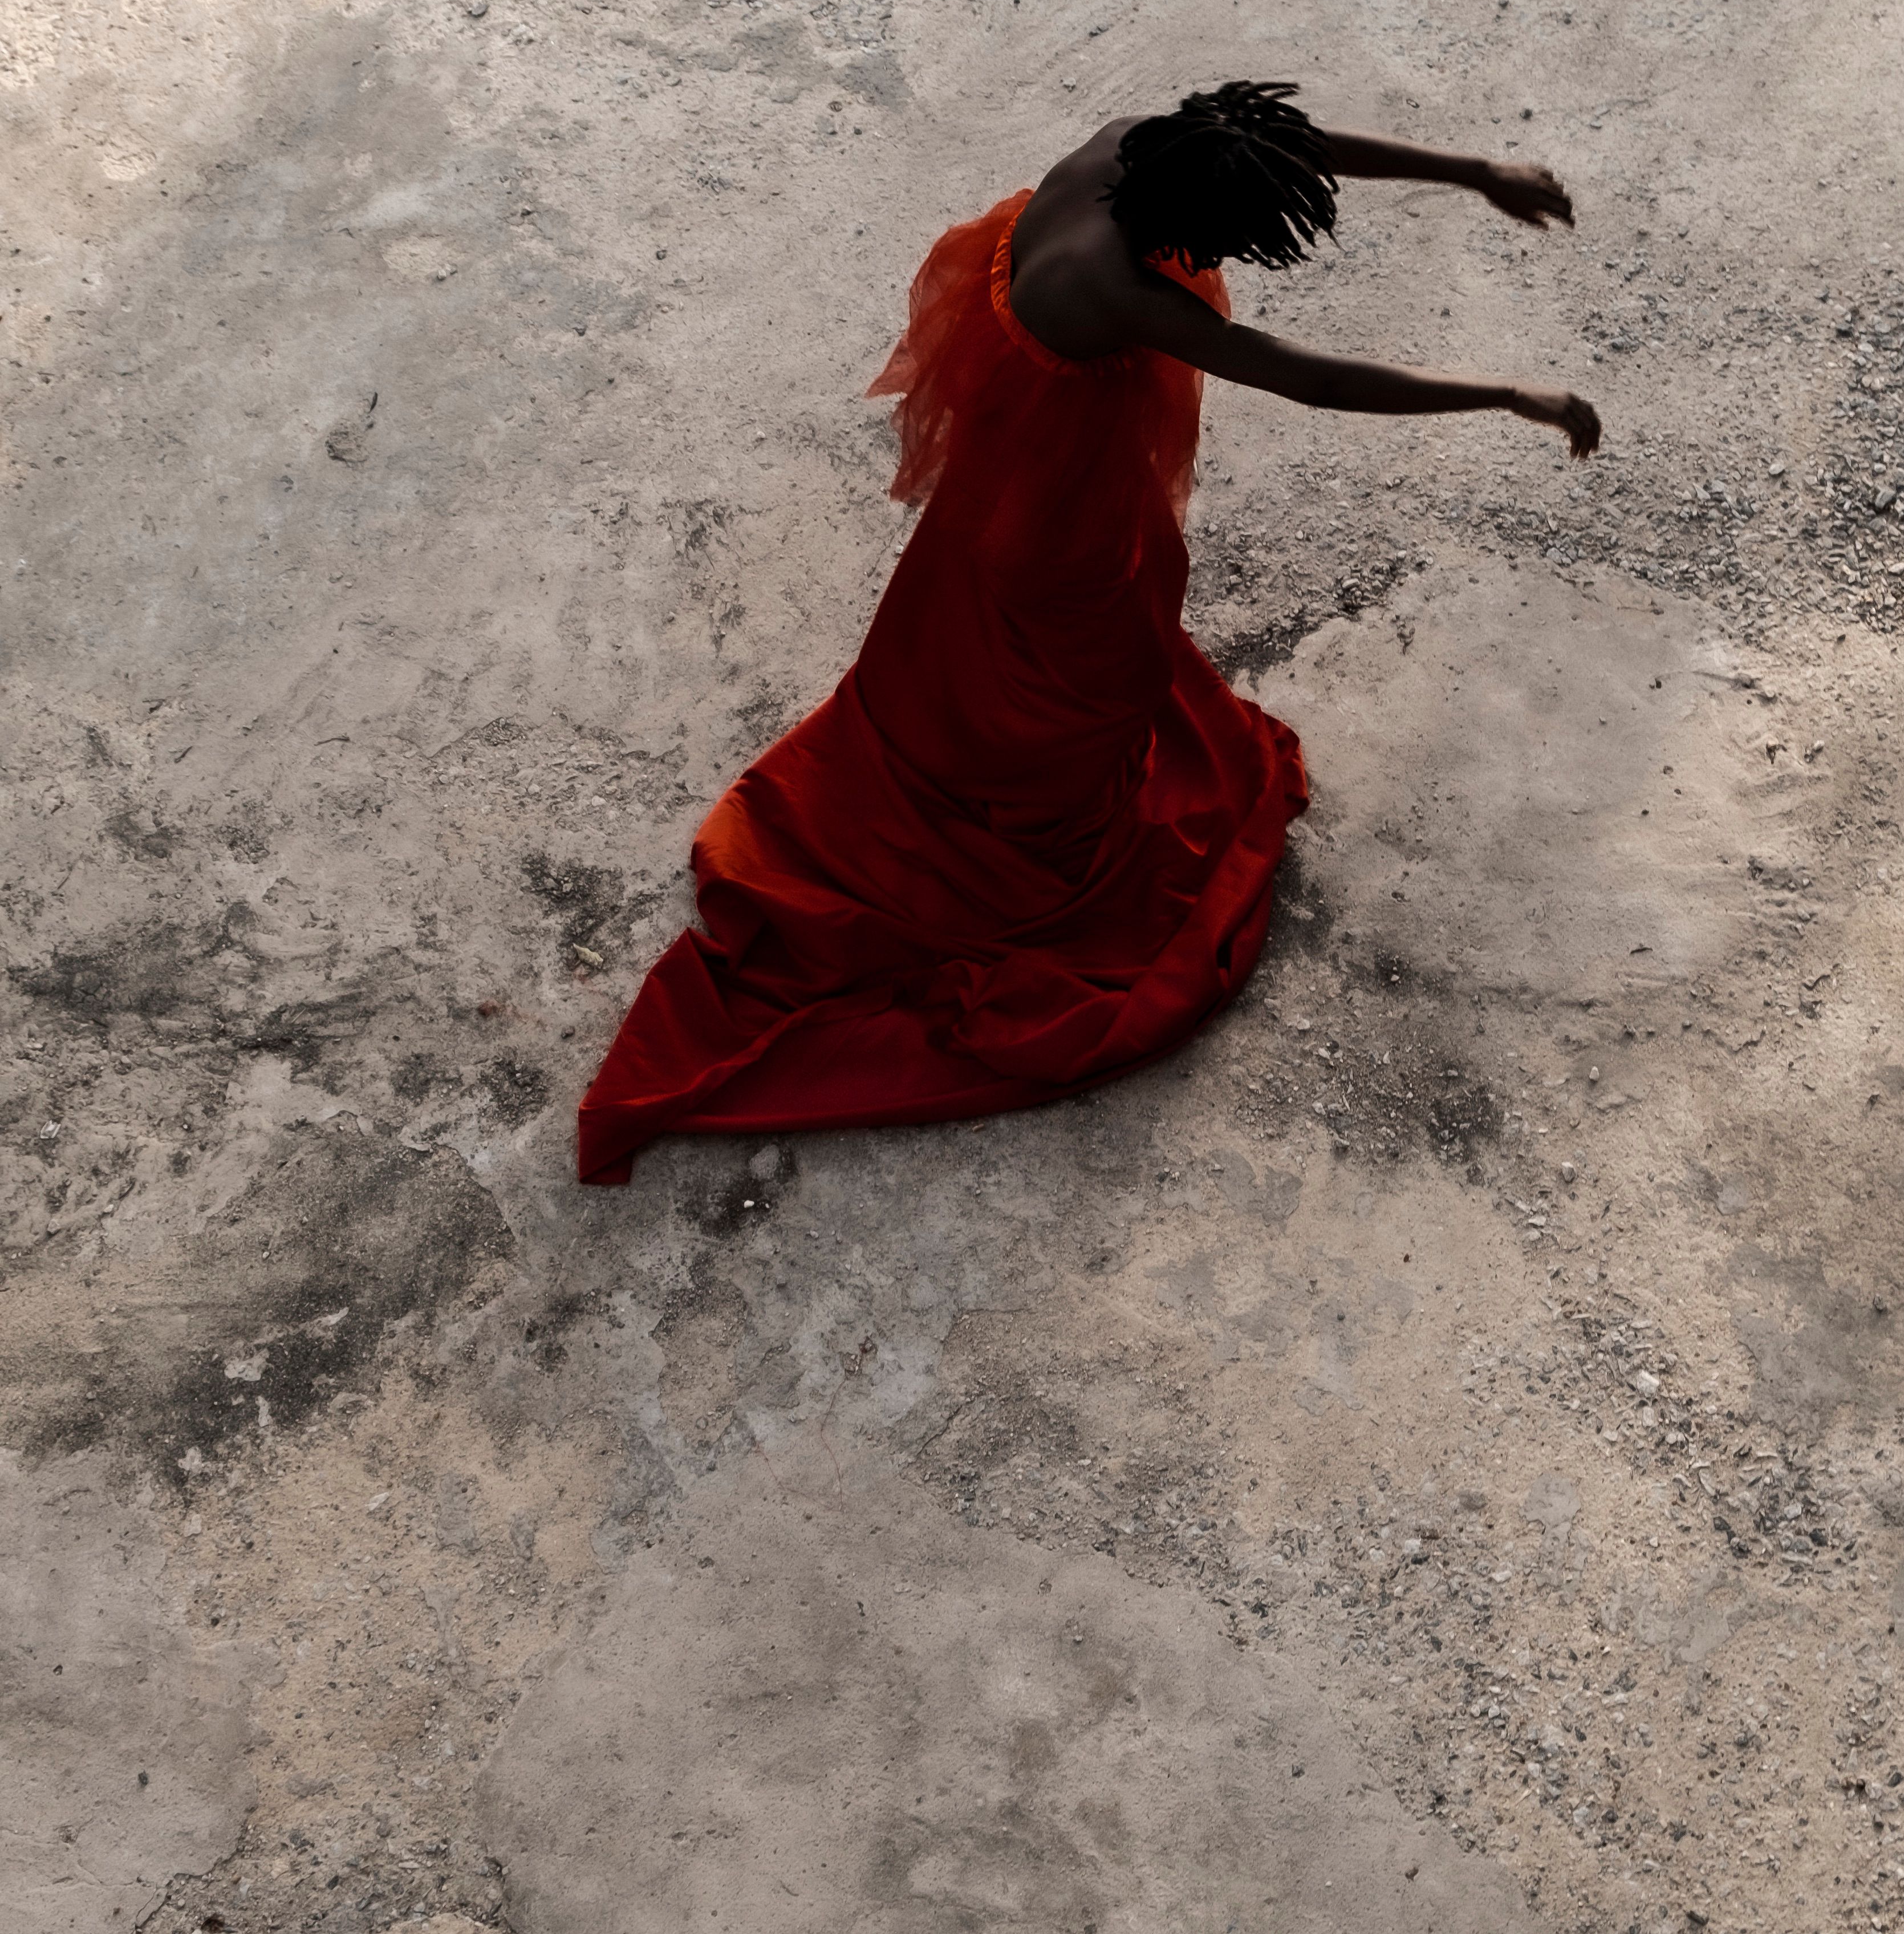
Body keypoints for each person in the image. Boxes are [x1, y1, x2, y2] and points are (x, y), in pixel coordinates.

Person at [576, 83, 1599, 1185]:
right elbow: (1305, 376)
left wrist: (1472, 172)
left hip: (1037, 417)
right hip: (1050, 492)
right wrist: (1506, 395)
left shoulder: (1137, 146)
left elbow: (1292, 143)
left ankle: (999, 766)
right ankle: (1022, 820)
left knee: (1039, 640)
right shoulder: (1118, 290)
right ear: (1186, 232)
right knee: (1093, 660)